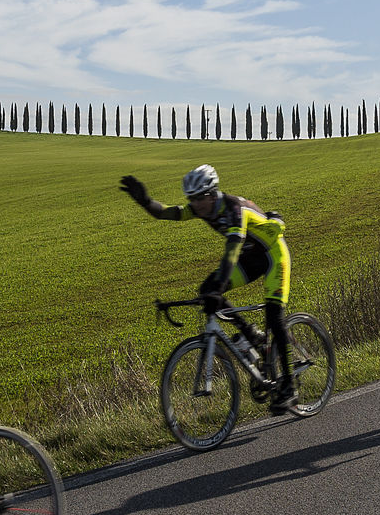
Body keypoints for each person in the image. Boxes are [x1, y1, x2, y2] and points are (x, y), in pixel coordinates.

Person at [118, 164, 298, 413]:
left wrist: (218, 289)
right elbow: (168, 213)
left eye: (198, 198)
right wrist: (145, 201)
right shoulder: (202, 207)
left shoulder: (234, 209)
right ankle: (252, 334)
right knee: (207, 289)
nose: (193, 204)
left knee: (274, 316)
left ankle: (290, 386)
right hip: (251, 258)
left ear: (211, 194)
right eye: (190, 198)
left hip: (273, 255)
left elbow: (231, 253)